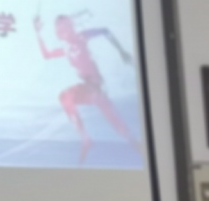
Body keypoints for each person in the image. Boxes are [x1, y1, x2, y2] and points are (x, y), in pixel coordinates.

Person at [33, 13, 141, 164]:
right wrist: (38, 33)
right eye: (59, 29)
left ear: (70, 27)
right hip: (88, 88)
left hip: (96, 86)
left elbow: (105, 31)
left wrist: (121, 51)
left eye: (64, 27)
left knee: (116, 123)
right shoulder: (66, 48)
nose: (61, 31)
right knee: (65, 97)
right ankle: (86, 139)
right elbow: (47, 55)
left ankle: (135, 145)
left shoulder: (81, 37)